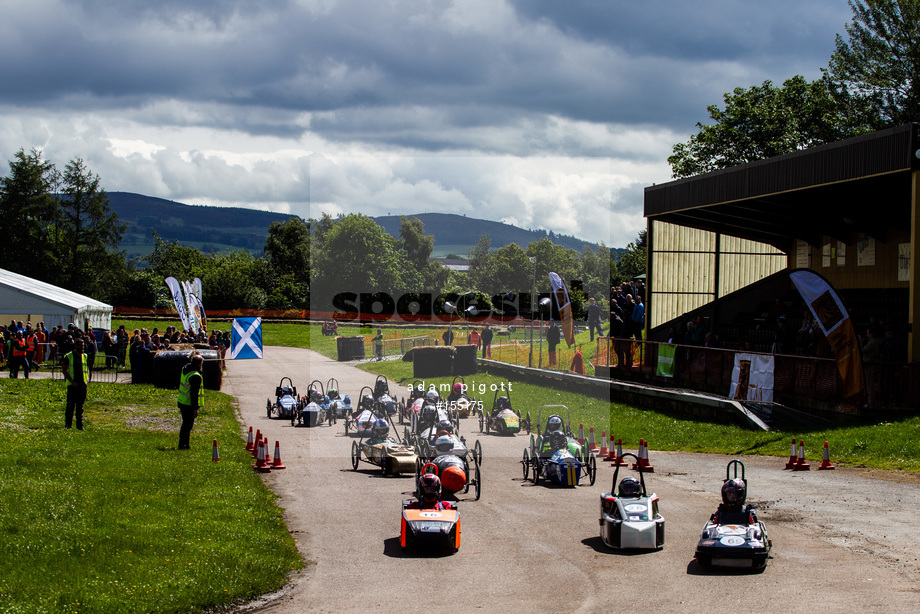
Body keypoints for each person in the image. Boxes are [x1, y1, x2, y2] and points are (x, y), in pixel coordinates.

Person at [177, 352, 204, 450]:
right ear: (199, 364)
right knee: (188, 425)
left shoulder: (186, 369)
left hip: (182, 401)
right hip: (188, 404)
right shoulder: (195, 376)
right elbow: (194, 394)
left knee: (185, 424)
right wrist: (195, 408)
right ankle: (184, 444)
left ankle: (183, 443)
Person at [62, 339, 90, 430]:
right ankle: (68, 425)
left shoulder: (85, 356)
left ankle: (80, 425)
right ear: (76, 346)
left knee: (80, 407)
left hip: (82, 385)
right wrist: (72, 382)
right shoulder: (69, 356)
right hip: (72, 385)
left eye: (83, 345)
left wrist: (87, 381)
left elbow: (87, 368)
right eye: (80, 345)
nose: (82, 347)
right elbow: (64, 370)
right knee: (70, 406)